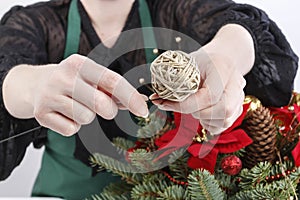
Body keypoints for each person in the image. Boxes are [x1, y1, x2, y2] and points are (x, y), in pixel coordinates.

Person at [0, 0, 298, 199]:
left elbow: (243, 25)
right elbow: (8, 63)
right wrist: (22, 86)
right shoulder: (35, 23)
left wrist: (226, 53)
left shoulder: (174, 9)